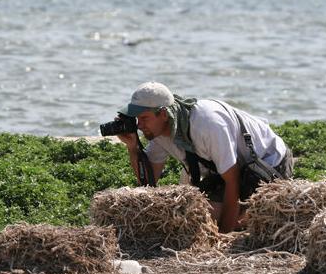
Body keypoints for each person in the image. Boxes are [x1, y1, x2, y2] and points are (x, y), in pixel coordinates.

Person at [116, 82, 294, 233]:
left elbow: (233, 181)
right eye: (137, 119)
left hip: (268, 163)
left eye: (144, 118)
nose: (139, 126)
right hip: (230, 170)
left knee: (213, 221)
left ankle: (260, 214)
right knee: (194, 220)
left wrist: (223, 237)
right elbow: (149, 183)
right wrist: (133, 148)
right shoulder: (160, 131)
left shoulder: (208, 124)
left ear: (163, 114)